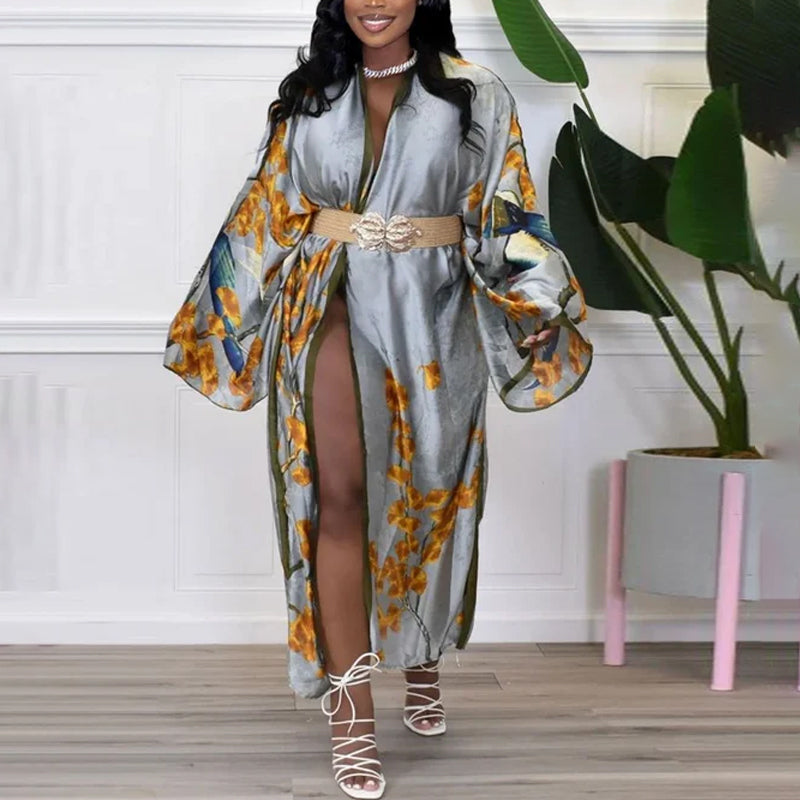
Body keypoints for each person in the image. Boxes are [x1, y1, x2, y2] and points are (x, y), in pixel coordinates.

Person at [162, 0, 594, 796]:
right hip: (326, 299)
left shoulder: (475, 93)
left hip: (437, 317)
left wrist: (540, 300)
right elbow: (265, 211)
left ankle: (420, 657)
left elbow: (505, 210)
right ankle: (352, 714)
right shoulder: (310, 96)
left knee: (425, 496)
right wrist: (216, 324)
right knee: (338, 496)